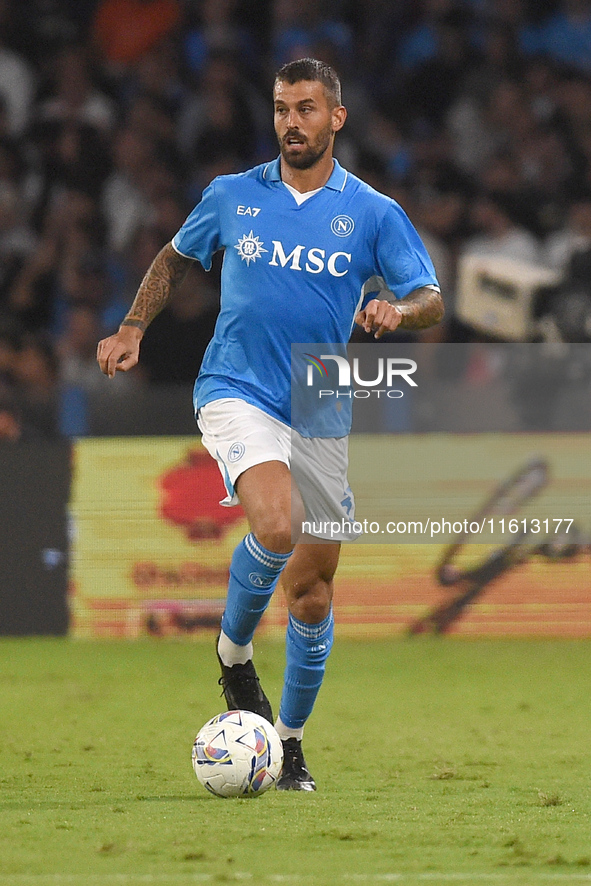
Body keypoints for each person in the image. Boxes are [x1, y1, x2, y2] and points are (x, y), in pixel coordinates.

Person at [97, 58, 443, 791]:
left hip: (320, 395)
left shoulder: (373, 213)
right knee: (276, 525)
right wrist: (131, 327)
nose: (292, 121)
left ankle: (286, 748)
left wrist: (397, 310)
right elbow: (173, 257)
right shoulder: (230, 196)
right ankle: (232, 657)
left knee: (312, 591)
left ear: (335, 119)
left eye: (307, 108)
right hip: (236, 386)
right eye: (283, 108)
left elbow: (429, 297)